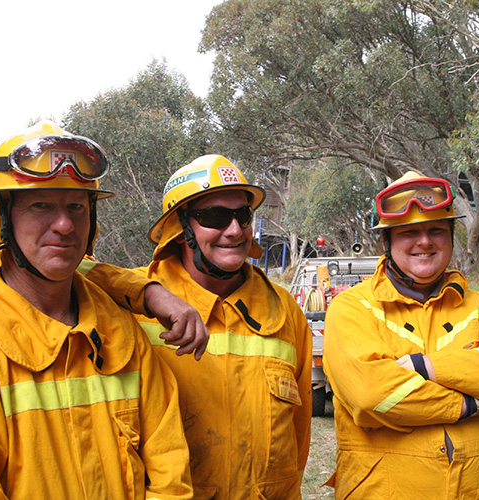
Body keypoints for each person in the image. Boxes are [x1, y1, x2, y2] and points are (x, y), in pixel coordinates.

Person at [0, 120, 201, 499]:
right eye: (41, 205)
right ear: (3, 220)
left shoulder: (119, 331)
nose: (65, 224)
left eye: (76, 206)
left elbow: (170, 472)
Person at [80, 154, 313, 500]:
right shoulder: (132, 303)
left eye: (242, 215)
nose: (234, 230)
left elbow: (299, 438)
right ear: (181, 229)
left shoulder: (284, 311)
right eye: (215, 217)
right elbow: (61, 264)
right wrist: (150, 295)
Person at [322, 171, 479, 499]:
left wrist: (428, 367)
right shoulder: (352, 308)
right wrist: (471, 402)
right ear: (386, 242)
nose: (425, 241)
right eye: (409, 232)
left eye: (436, 230)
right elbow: (373, 396)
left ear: (451, 238)